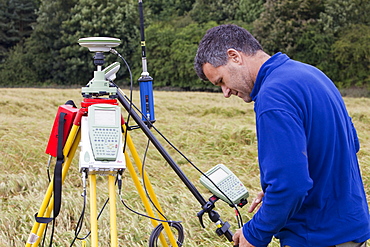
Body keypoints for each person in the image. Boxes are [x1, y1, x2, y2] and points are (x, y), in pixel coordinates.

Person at [194, 24, 370, 247]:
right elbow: (348, 146)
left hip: (317, 237)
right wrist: (275, 195)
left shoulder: (273, 97)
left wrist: (255, 233)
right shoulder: (311, 74)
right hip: (351, 231)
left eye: (221, 81)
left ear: (234, 56)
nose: (226, 92)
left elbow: (291, 185)